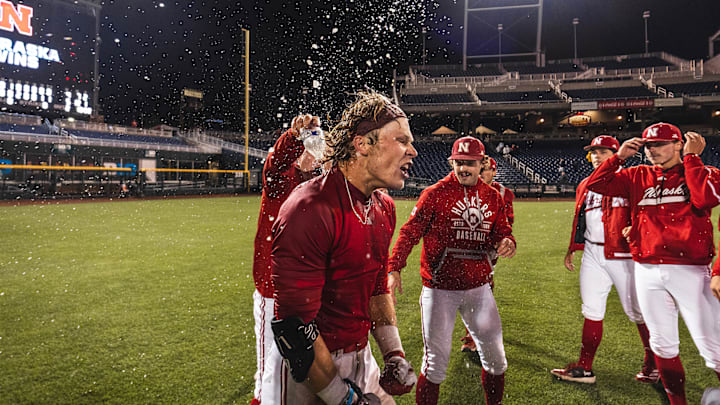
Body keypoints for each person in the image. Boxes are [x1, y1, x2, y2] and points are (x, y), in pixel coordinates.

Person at [269, 90, 418, 405]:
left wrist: (393, 353)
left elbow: (377, 286)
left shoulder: (383, 207)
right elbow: (295, 330)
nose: (413, 151)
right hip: (310, 368)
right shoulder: (308, 209)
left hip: (361, 353)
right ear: (363, 144)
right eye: (402, 140)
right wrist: (344, 398)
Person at [585, 123, 720, 405]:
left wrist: (692, 159)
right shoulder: (636, 175)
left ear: (678, 144)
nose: (652, 150)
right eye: (648, 145)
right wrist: (619, 157)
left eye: (659, 144)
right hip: (646, 269)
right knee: (662, 343)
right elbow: (596, 184)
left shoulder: (703, 172)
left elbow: (705, 198)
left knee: (714, 345)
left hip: (692, 270)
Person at [387, 136, 516, 405]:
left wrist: (507, 241)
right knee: (435, 366)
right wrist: (395, 267)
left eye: (469, 163)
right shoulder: (434, 193)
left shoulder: (492, 196)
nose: (463, 168)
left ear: (482, 164)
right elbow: (410, 233)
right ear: (451, 162)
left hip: (478, 288)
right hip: (440, 289)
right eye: (459, 163)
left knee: (496, 360)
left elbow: (502, 230)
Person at [550, 135, 656, 385]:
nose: (597, 156)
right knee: (591, 310)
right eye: (594, 152)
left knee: (638, 312)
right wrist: (573, 247)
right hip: (592, 253)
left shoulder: (631, 178)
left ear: (616, 153)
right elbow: (582, 219)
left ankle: (654, 364)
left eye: (603, 152)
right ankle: (585, 367)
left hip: (624, 254)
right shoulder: (586, 183)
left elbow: (648, 210)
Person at [251, 114, 323, 405]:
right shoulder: (282, 181)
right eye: (310, 147)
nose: (316, 153)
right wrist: (293, 136)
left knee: (307, 374)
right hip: (275, 293)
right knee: (269, 374)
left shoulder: (322, 187)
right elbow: (275, 165)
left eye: (319, 147)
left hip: (311, 294)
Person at [459, 156, 515, 352]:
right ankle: (473, 333)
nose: (484, 173)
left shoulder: (503, 193)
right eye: (481, 169)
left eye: (488, 169)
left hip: (488, 247)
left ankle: (475, 333)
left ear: (495, 172)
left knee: (479, 287)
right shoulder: (465, 189)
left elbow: (507, 222)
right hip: (467, 245)